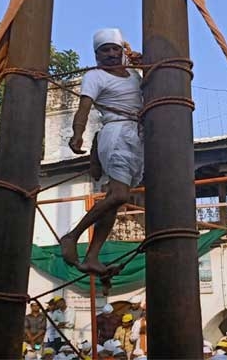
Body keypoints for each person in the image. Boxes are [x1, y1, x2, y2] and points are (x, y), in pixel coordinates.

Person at [60, 28, 144, 275]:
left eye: (114, 49)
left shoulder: (133, 73)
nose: (110, 54)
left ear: (121, 51)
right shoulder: (94, 77)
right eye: (104, 50)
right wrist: (77, 134)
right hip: (116, 133)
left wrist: (140, 60)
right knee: (118, 196)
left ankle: (93, 257)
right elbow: (84, 108)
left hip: (137, 136)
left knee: (113, 202)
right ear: (96, 55)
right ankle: (72, 236)